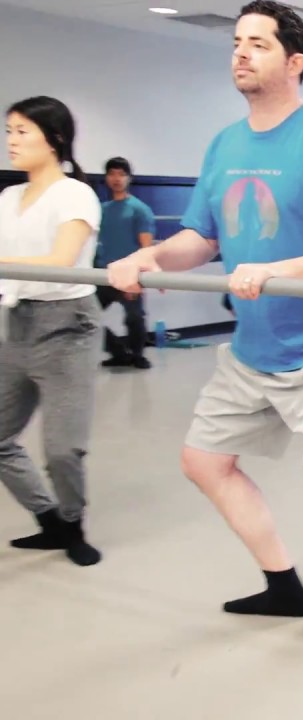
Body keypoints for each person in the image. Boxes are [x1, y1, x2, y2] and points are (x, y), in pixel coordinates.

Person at [107, 0, 303, 649]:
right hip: (253, 350)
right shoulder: (225, 145)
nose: (240, 52)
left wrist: (277, 267)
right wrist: (148, 256)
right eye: (237, 41)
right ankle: (281, 583)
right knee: (203, 461)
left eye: (258, 43)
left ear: (295, 62)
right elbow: (200, 240)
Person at [0, 95, 103, 567]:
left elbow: (62, 263)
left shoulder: (76, 194)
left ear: (55, 138)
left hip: (68, 327)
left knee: (63, 449)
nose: (11, 141)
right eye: (9, 131)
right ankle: (50, 522)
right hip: (17, 323)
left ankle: (74, 524)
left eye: (22, 131)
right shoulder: (8, 198)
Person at [95, 156, 156, 369]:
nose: (117, 178)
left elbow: (146, 247)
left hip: (130, 274)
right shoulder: (101, 210)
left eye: (121, 174)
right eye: (112, 173)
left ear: (129, 178)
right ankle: (118, 352)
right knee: (86, 317)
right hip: (103, 273)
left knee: (134, 317)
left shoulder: (139, 209)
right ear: (106, 178)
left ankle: (138, 355)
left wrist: (140, 275)